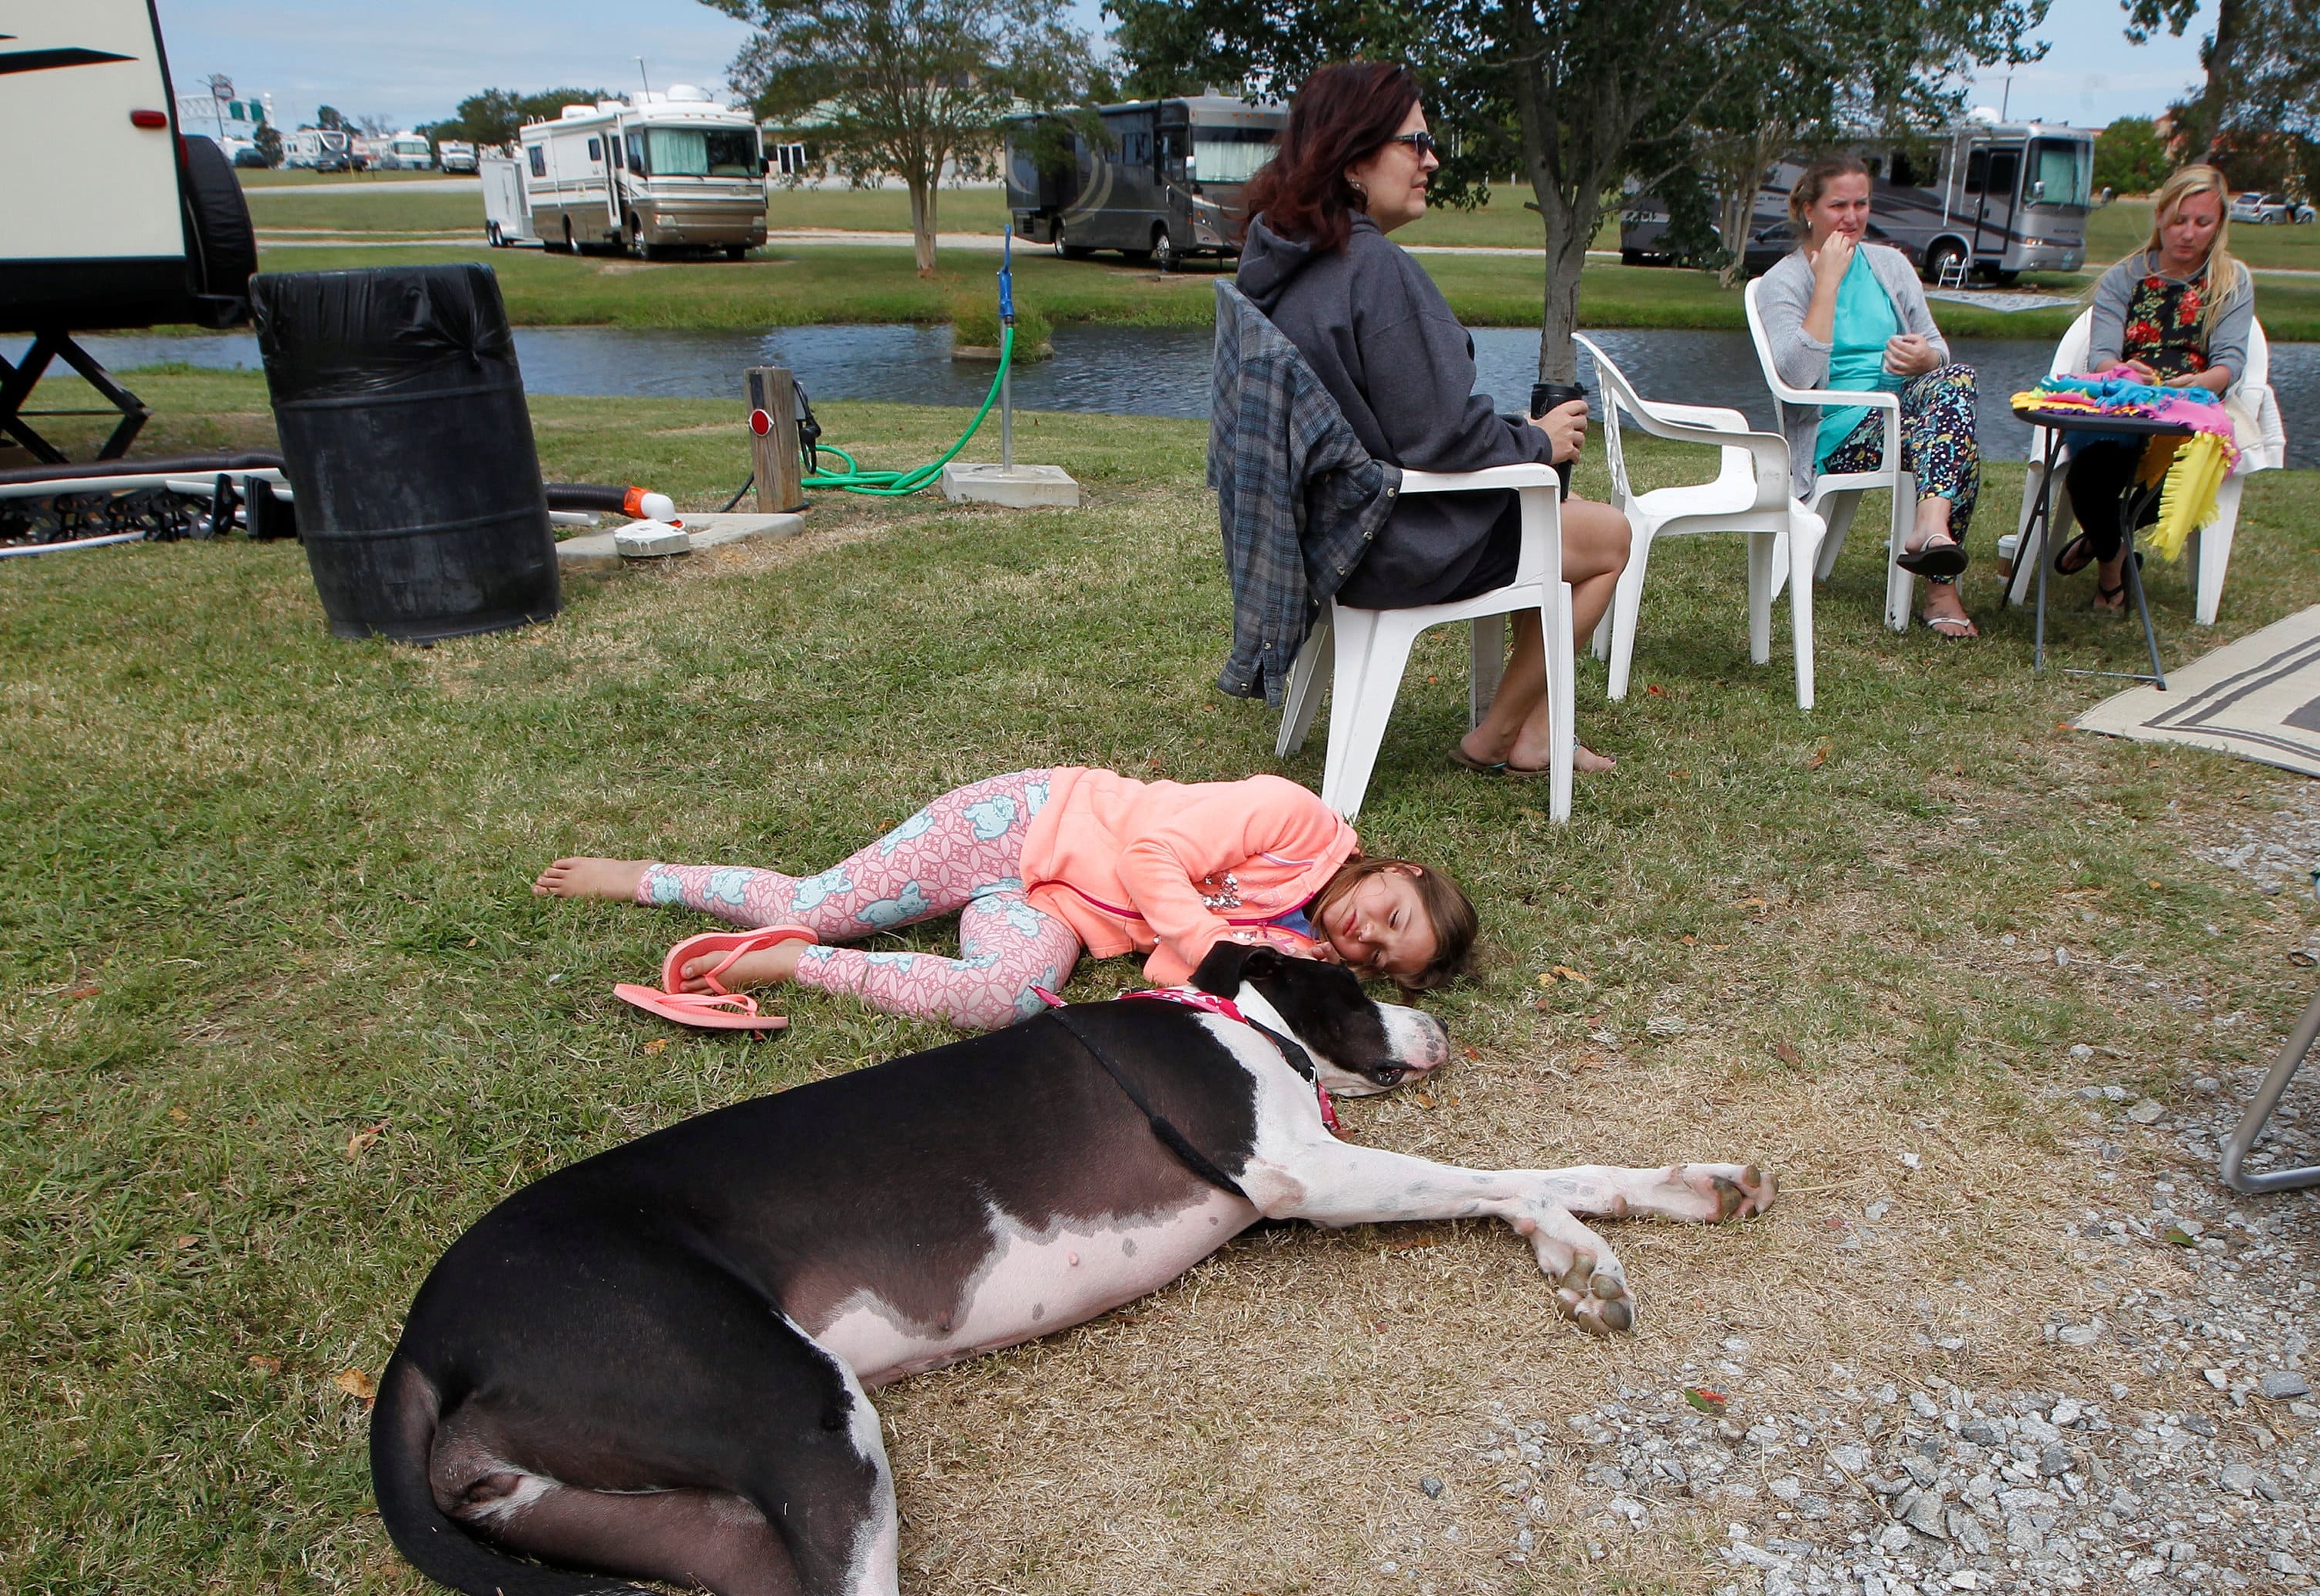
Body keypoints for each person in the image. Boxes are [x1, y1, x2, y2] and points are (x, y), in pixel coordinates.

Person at [1233, 61, 1631, 778]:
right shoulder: (1372, 269)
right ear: (1354, 160)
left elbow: (1405, 419)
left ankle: (1533, 731)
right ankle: (1503, 736)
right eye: (1413, 143)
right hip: (1392, 541)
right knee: (1608, 538)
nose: (1431, 160)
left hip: (1324, 539)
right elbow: (1441, 438)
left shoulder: (1286, 266)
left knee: (1546, 518)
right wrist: (1538, 440)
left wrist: (1514, 439)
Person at [535, 766, 1479, 1031]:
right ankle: (646, 877)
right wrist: (1222, 949)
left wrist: (1274, 967)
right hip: (1021, 824)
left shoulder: (1290, 935)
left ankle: (792, 965)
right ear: (1401, 872)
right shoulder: (1294, 818)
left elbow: (1161, 960)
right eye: (1389, 918)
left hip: (1055, 912)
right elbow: (1150, 853)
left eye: (1376, 958)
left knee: (1005, 998)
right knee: (823, 902)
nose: (1362, 936)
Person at [1752, 155, 1984, 640]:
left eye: (1862, 204)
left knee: (1957, 378)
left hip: (1906, 409)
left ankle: (1930, 524)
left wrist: (1926, 358)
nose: (1852, 217)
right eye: (1839, 205)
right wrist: (1827, 282)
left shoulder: (1890, 265)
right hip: (1837, 429)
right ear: (1808, 210)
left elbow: (1938, 347)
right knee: (1955, 444)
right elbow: (1796, 378)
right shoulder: (1783, 282)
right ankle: (1941, 589)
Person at [2051, 163, 2255, 612]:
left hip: (2193, 407)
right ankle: (2114, 565)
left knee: (2190, 480)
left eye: (2203, 222)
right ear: (2160, 216)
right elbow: (2102, 357)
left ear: (2220, 225)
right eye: (2179, 220)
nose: (2188, 233)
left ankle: (2102, 545)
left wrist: (2197, 383)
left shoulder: (2232, 281)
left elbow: (2230, 364)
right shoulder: (2124, 277)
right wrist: (2124, 372)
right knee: (2087, 477)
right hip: (2128, 400)